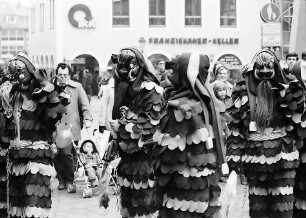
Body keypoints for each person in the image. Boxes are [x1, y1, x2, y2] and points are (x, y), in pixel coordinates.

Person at [226, 49, 306, 218]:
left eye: (269, 67)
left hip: (284, 157)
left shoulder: (287, 87)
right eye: (260, 67)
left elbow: (298, 117)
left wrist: (286, 86)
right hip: (254, 157)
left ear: (275, 67)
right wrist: (233, 165)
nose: (264, 71)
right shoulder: (242, 89)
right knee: (258, 207)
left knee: (283, 206)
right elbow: (235, 128)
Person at [153, 52, 226, 218]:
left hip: (181, 187)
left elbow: (169, 159)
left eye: (175, 71)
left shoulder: (180, 107)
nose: (170, 75)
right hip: (205, 183)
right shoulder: (210, 104)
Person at [0, 52, 70, 217]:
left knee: (34, 206)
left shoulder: (40, 94)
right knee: (15, 207)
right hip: (12, 159)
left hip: (36, 158)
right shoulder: (7, 97)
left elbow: (55, 112)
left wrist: (45, 86)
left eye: (21, 71)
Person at [109, 47, 165, 218]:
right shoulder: (123, 87)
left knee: (145, 199)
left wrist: (122, 126)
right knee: (129, 198)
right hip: (127, 156)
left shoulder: (151, 89)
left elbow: (151, 124)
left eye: (130, 65)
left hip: (146, 156)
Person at [53, 63, 93, 193]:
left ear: (69, 75)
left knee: (67, 154)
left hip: (71, 128)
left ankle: (70, 180)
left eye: (65, 75)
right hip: (55, 127)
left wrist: (87, 119)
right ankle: (61, 179)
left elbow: (85, 105)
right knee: (57, 155)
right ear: (56, 74)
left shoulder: (77, 87)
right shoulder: (51, 88)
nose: (62, 77)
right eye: (60, 75)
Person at [98, 70, 115, 135]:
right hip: (107, 120)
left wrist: (102, 89)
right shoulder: (107, 83)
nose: (103, 76)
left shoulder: (111, 82)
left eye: (104, 75)